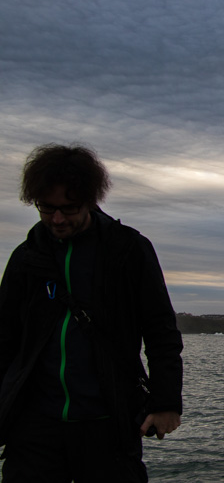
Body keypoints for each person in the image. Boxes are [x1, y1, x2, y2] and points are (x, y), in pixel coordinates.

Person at [0, 144, 183, 482]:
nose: (57, 219)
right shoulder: (26, 258)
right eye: (47, 208)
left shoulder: (128, 250)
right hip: (34, 427)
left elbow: (161, 331)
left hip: (108, 424)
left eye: (69, 208)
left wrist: (166, 402)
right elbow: (5, 337)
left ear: (90, 199)